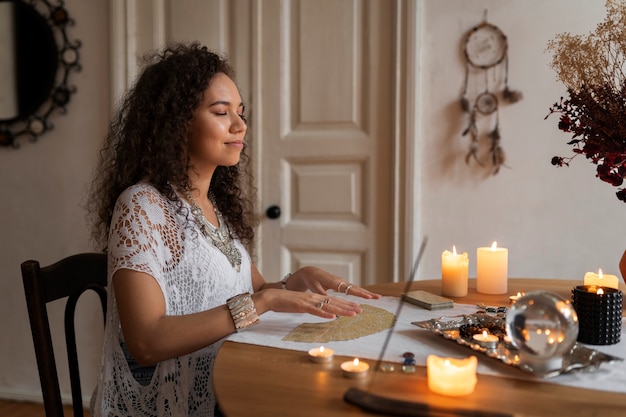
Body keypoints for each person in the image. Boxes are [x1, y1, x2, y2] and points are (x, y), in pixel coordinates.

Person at [87, 42, 380, 417]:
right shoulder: (143, 205)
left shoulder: (213, 206)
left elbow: (253, 292)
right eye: (221, 112)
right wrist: (264, 301)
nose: (240, 125)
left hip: (226, 388)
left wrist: (293, 282)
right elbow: (145, 341)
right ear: (176, 122)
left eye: (240, 113)